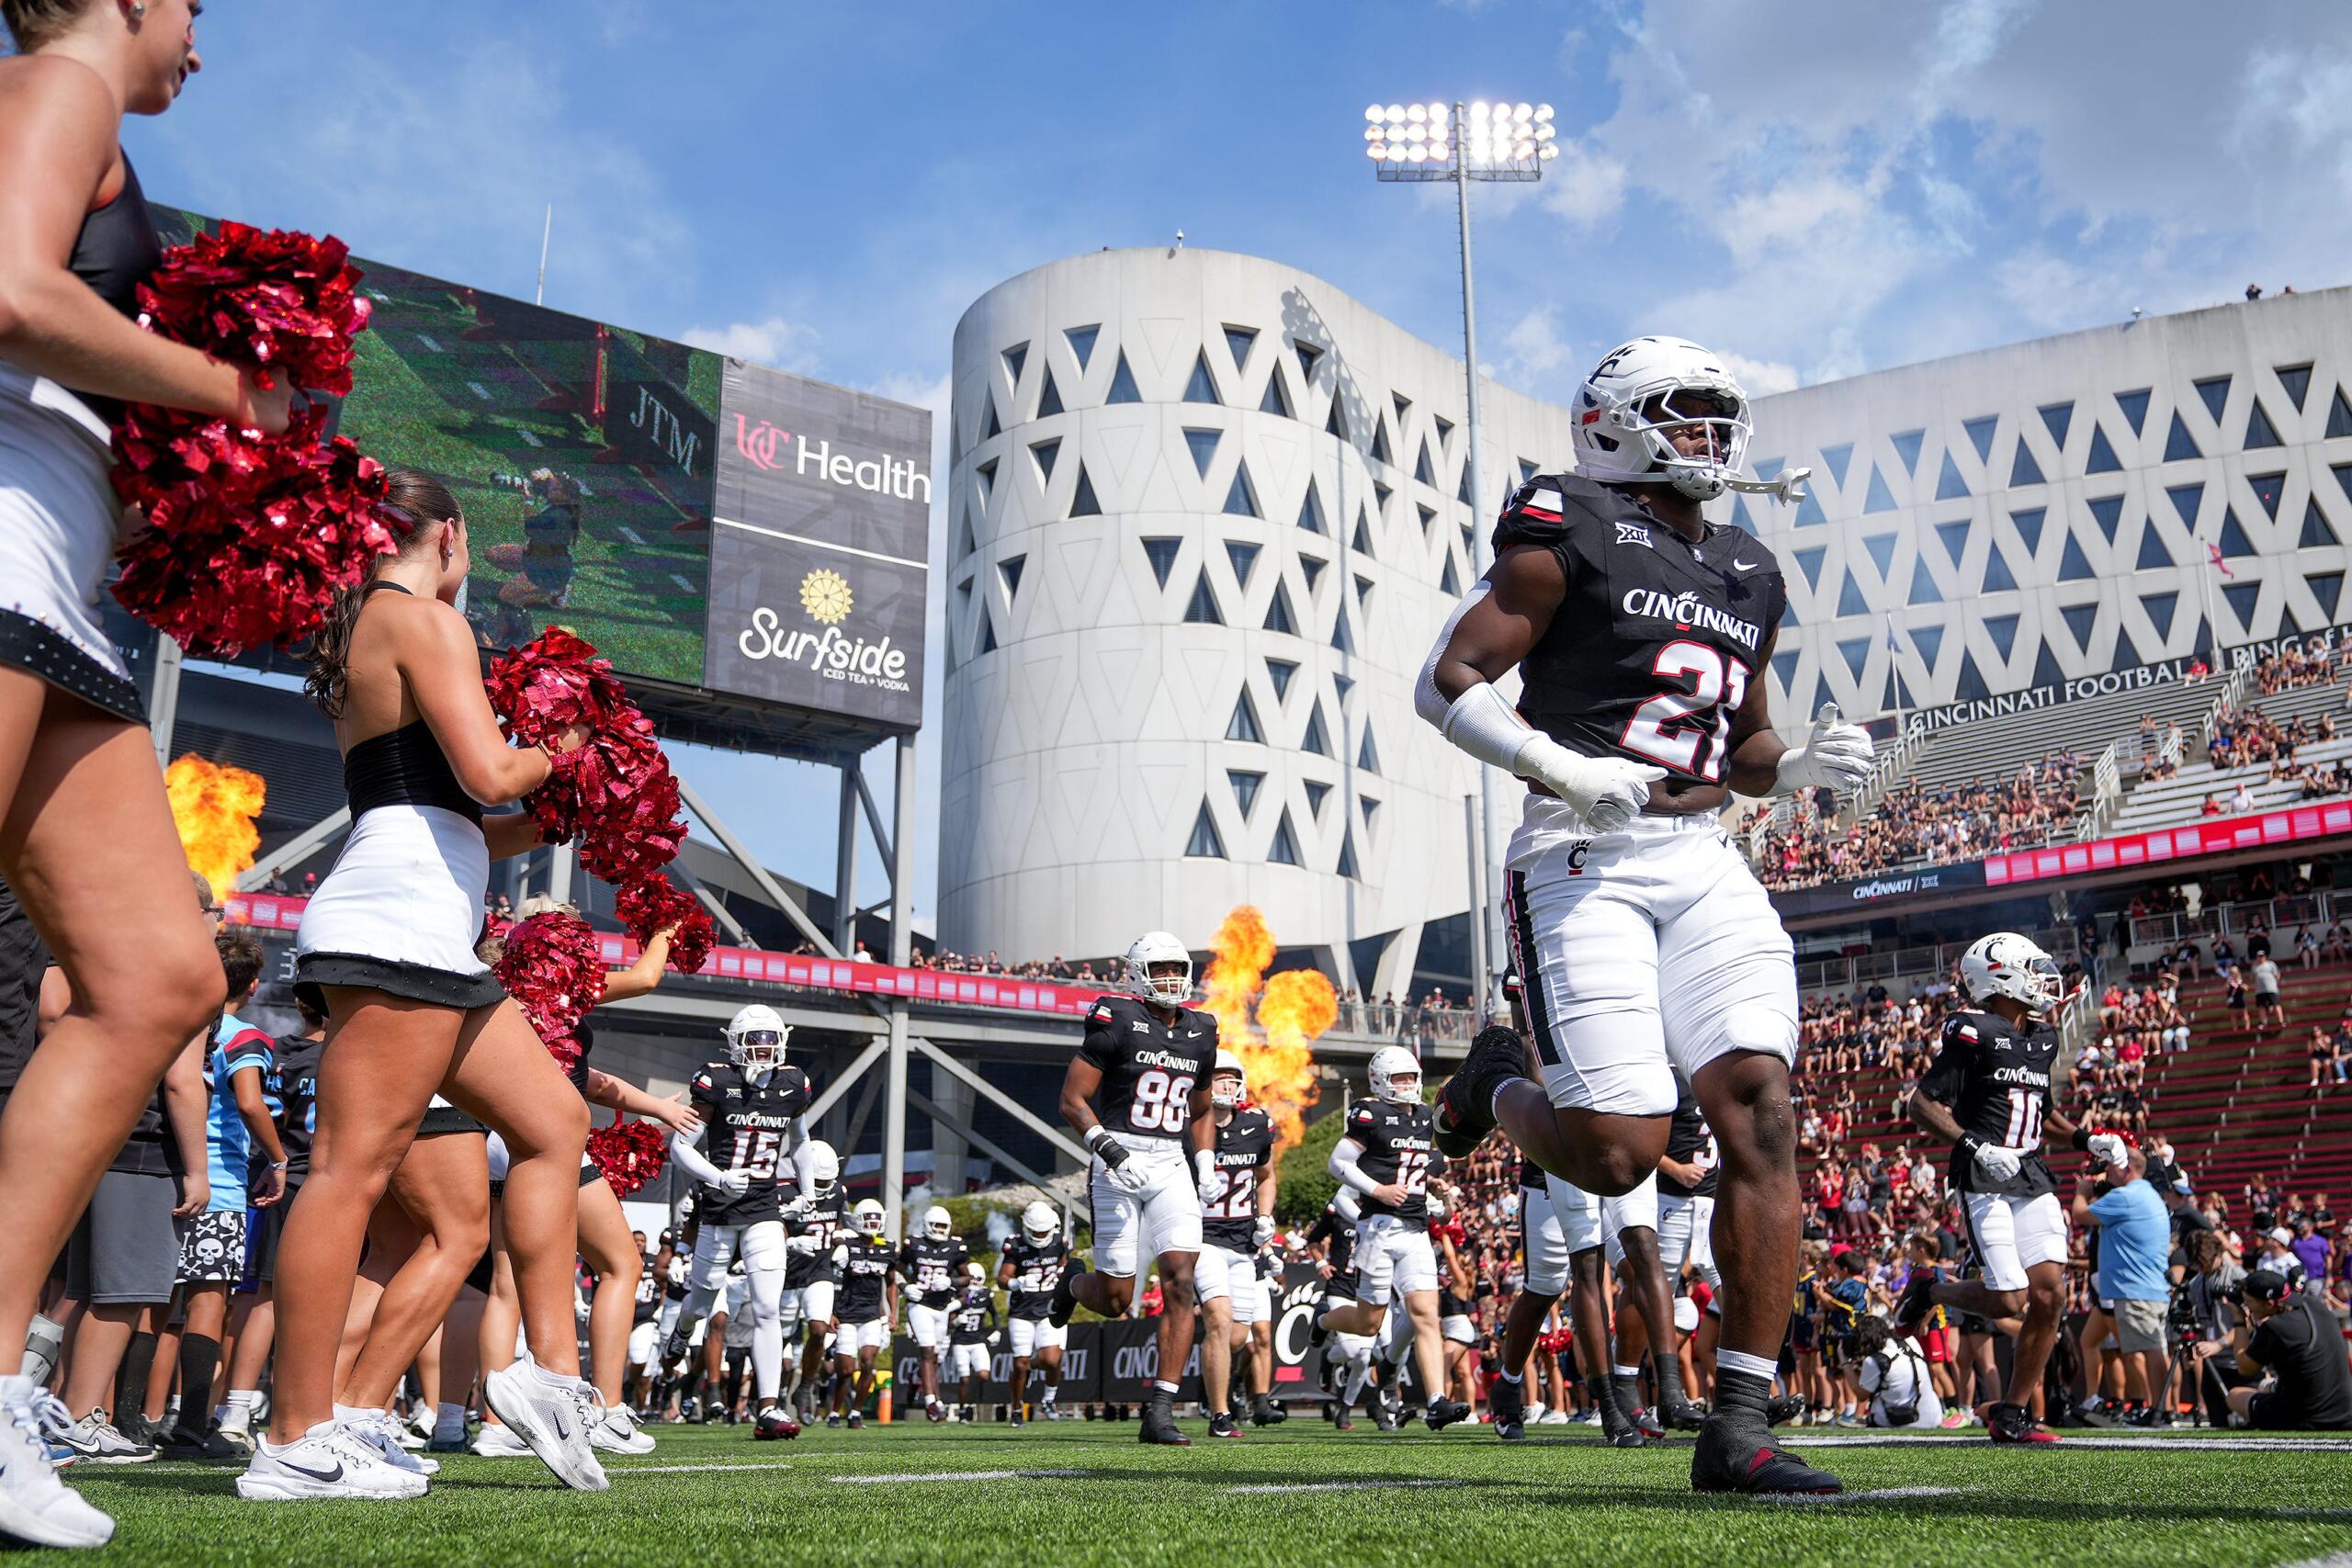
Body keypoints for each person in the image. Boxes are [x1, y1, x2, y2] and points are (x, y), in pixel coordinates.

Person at [1419, 337, 1869, 1495]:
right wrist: (1557, 767)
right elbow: (1449, 678)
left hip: (1704, 854)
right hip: (1581, 851)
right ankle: (1493, 1084)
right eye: (1687, 415)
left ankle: (1738, 1427)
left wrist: (1799, 762)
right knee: (1619, 1157)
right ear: (1614, 420)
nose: (1713, 439)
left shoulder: (1749, 566)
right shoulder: (1566, 518)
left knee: (1760, 1111)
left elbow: (1746, 745)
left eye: (1724, 418)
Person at [0, 0, 301, 1540]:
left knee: (161, 978)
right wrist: (231, 396)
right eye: (196, 5)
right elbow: (10, 286)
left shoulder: (100, 127)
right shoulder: (55, 79)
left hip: (54, 594)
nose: (203, 37)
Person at [248, 470, 602, 1502]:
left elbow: (463, 810)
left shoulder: (372, 619)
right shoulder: (423, 620)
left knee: (553, 1122)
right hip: (396, 922)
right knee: (350, 1176)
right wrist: (564, 749)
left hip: (429, 921)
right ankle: (295, 1435)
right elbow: (492, 775)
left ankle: (535, 1372)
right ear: (446, 534)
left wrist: (547, 809)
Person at [1896, 931, 2129, 1444]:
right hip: (1984, 1173)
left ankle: (2013, 1414)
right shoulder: (1972, 1030)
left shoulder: (2043, 1039)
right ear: (2001, 975)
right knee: (2009, 1300)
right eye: (2034, 967)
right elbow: (1923, 1104)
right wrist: (1977, 1146)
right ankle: (1928, 1288)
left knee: (2050, 1296)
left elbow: (2039, 1113)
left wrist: (2089, 1138)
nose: (2046, 977)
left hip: (2031, 1171)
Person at [1048, 931, 1216, 1447]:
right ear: (1139, 973)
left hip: (1169, 1162)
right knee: (1117, 1299)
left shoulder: (1203, 1029)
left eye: (1177, 969)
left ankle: (1161, 1409)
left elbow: (1203, 1108)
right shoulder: (1116, 1019)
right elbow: (1073, 1100)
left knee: (1181, 1282)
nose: (1170, 979)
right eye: (1159, 969)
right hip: (1116, 1157)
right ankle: (1073, 1284)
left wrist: (1203, 1163)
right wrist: (1108, 1149)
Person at [160, 926, 286, 1461]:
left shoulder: (175, 1023)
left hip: (168, 1171)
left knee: (157, 1305)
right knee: (208, 1302)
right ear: (254, 984)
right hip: (223, 1184)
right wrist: (278, 1161)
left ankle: (135, 1419)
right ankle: (191, 1426)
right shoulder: (244, 1036)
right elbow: (253, 1104)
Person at [662, 1004, 811, 1442]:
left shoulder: (793, 1083)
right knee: (703, 1301)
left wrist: (808, 1191)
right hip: (721, 1207)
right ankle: (682, 1330)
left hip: (764, 1207)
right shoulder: (716, 1081)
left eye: (770, 1039)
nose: (763, 1048)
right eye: (754, 1040)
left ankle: (768, 1408)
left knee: (767, 1308)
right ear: (735, 1043)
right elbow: (681, 1148)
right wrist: (718, 1176)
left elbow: (800, 1141)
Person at [1314, 1047, 1473, 1431]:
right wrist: (1378, 1189)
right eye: (1399, 1078)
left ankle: (1436, 1400)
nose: (1407, 1084)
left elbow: (1419, 1169)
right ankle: (1323, 1322)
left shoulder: (1422, 1119)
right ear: (1381, 1080)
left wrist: (1433, 1185)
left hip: (1416, 1229)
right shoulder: (1370, 1113)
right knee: (1369, 1324)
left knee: (1426, 1315)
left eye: (1410, 1077)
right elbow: (1338, 1163)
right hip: (1378, 1229)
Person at [1194, 1050, 1277, 1437]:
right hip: (1203, 1238)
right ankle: (1220, 1415)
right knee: (1219, 1319)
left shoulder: (1257, 1123)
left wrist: (1265, 1216)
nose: (1229, 1085)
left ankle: (1210, 1382)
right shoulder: (1189, 1126)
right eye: (1220, 1078)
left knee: (1238, 1336)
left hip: (1243, 1243)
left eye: (1233, 1078)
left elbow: (1266, 1175)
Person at [2073, 1148, 2177, 1426]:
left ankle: (2158, 1411)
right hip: (2144, 1288)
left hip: (2136, 1289)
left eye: (2112, 1165)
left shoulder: (2126, 1196)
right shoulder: (2147, 1195)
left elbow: (2080, 1214)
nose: (2107, 1171)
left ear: (2127, 1168)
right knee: (2149, 1349)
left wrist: (2083, 1190)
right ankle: (2157, 1409)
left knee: (2149, 1351)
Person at [2212, 1269, 2352, 1429]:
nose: (2247, 1307)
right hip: (2345, 1413)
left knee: (2234, 1396)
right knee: (2265, 1385)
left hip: (2305, 1419)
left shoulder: (2275, 1327)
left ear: (2269, 1304)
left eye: (2248, 1302)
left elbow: (2244, 1368)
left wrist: (2239, 1319)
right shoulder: (2315, 1306)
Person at [777, 1141, 842, 1425]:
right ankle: (775, 1393)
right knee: (778, 1339)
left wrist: (841, 1242)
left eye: (826, 1181)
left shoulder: (838, 1192)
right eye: (817, 1180)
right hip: (787, 1276)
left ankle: (806, 1388)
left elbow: (837, 1223)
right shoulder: (783, 1193)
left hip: (820, 1271)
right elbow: (767, 1232)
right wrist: (789, 1242)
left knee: (818, 1329)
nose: (823, 1186)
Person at [896, 1205, 970, 1425]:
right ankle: (931, 1402)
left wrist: (952, 1281)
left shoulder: (956, 1246)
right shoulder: (914, 1244)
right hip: (919, 1304)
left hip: (942, 1307)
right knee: (927, 1351)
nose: (939, 1230)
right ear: (927, 1225)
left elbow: (967, 1278)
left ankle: (919, 1380)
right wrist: (904, 1287)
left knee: (935, 1357)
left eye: (943, 1226)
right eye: (935, 1225)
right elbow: (896, 1271)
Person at [999, 1201, 1069, 1425]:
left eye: (1043, 1231)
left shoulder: (1059, 1242)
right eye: (1035, 1231)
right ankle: (1017, 1409)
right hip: (1022, 1311)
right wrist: (1016, 1283)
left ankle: (1047, 1397)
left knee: (1051, 1359)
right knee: (1019, 1364)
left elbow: (1065, 1267)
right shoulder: (1015, 1245)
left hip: (1050, 1309)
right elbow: (1002, 1278)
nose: (1039, 1235)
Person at [826, 1201, 895, 1428]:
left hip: (871, 1315)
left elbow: (892, 1282)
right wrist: (831, 1312)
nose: (872, 1224)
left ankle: (856, 1413)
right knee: (846, 1370)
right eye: (868, 1219)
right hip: (846, 1315)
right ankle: (835, 1412)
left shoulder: (887, 1248)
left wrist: (894, 1313)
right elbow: (831, 1274)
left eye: (876, 1219)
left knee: (867, 1363)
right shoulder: (848, 1244)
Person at [1851, 1316, 1942, 1428]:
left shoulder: (1874, 1361)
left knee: (1877, 1398)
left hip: (1899, 1420)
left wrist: (1844, 1362)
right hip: (1934, 1416)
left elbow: (1862, 1395)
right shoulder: (1910, 1341)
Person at [944, 1262, 998, 1423]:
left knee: (983, 1375)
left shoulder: (986, 1295)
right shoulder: (958, 1296)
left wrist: (997, 1330)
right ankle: (962, 1410)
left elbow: (995, 1314)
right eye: (972, 1278)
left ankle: (970, 1401)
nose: (974, 1281)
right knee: (964, 1379)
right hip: (960, 1342)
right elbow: (946, 1320)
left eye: (977, 1278)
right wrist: (955, 1322)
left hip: (978, 1341)